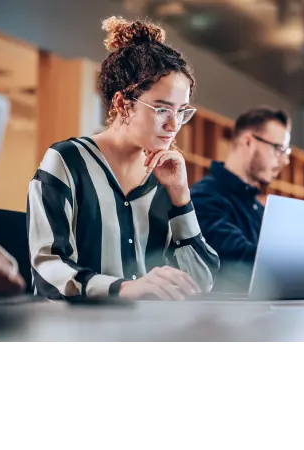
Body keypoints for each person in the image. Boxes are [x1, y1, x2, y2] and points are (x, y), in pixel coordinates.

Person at [27, 16, 219, 301]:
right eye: (162, 109)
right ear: (122, 104)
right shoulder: (67, 161)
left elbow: (202, 282)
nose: (174, 125)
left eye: (181, 112)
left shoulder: (165, 176)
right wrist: (124, 289)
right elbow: (48, 271)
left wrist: (180, 196)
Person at [191, 106, 293, 291]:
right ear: (248, 142)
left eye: (286, 152)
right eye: (279, 149)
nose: (284, 161)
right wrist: (303, 272)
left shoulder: (257, 208)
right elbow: (237, 257)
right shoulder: (203, 197)